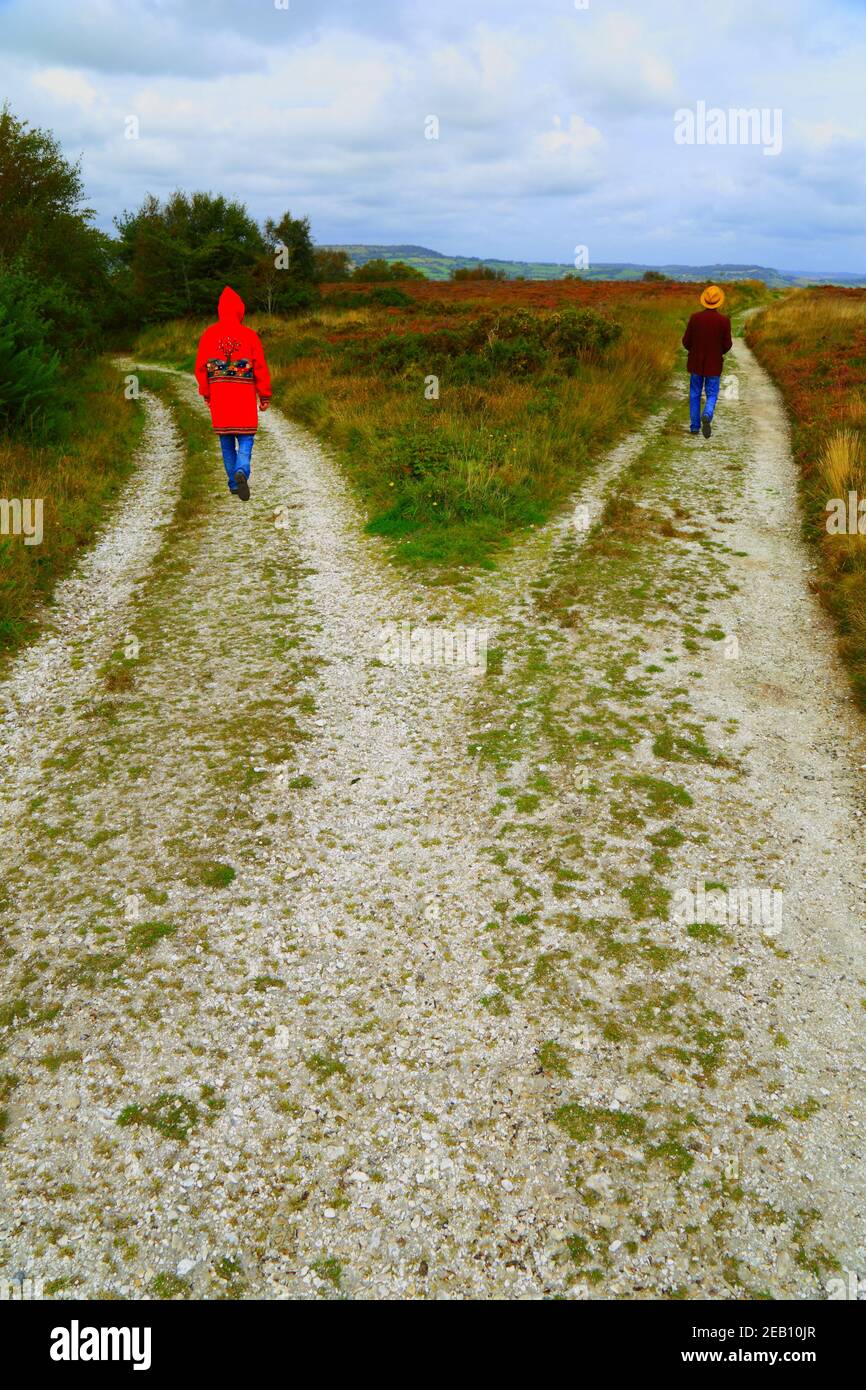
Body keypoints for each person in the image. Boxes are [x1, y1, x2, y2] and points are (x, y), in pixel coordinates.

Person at [194, 286, 271, 500]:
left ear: (220, 310)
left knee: (226, 443)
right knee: (246, 439)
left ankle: (234, 484)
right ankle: (241, 471)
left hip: (220, 400)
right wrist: (264, 395)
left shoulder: (209, 335)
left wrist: (207, 393)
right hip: (244, 399)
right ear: (240, 310)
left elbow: (201, 368)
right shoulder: (250, 336)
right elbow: (260, 368)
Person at [681, 285, 732, 438]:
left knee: (695, 393)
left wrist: (694, 350)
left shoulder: (695, 318)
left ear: (704, 301)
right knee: (712, 393)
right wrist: (718, 352)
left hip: (696, 362)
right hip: (714, 364)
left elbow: (686, 341)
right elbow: (727, 344)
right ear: (718, 302)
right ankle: (708, 414)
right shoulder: (724, 321)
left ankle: (695, 426)